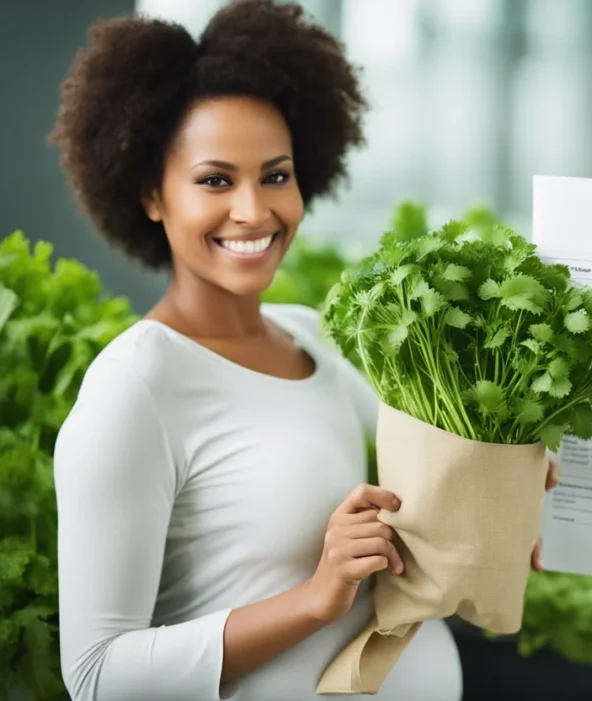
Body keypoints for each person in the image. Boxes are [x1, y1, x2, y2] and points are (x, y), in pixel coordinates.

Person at [47, 2, 562, 699]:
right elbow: (97, 675)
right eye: (215, 180)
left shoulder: (314, 337)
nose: (255, 210)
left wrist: (494, 497)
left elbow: (415, 504)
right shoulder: (136, 387)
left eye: (277, 175)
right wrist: (317, 596)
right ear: (151, 195)